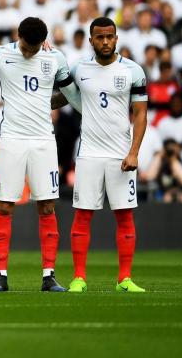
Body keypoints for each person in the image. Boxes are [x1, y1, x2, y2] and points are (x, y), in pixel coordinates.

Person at [0, 17, 80, 292]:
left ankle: (49, 275)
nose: (29, 52)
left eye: (35, 47)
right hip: (12, 141)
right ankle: (0, 275)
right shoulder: (1, 54)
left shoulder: (55, 58)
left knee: (47, 206)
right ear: (18, 37)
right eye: (26, 47)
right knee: (4, 205)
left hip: (43, 142)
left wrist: (44, 101)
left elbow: (70, 92)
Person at [63, 17, 148, 293]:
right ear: (91, 41)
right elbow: (62, 93)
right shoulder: (79, 68)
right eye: (99, 37)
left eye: (109, 36)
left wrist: (134, 152)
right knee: (82, 215)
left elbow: (140, 114)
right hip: (88, 153)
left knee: (124, 216)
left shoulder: (133, 71)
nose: (105, 42)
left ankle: (124, 279)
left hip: (120, 155)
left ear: (116, 38)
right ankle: (79, 278)